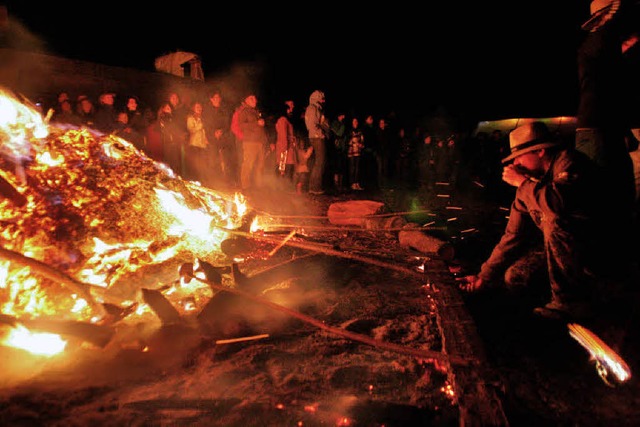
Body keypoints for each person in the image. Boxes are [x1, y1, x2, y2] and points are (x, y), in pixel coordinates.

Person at [459, 121, 632, 322]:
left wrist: (522, 183)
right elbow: (513, 235)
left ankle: (570, 303)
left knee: (555, 220)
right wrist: (484, 276)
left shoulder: (569, 163)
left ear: (540, 151)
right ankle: (540, 312)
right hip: (563, 251)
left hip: (600, 249)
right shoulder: (530, 186)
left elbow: (557, 205)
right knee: (515, 277)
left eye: (519, 158)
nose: (515, 165)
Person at [304, 89, 329, 195]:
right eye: (322, 98)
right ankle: (315, 187)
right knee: (319, 162)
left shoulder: (317, 109)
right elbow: (311, 125)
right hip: (316, 137)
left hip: (318, 136)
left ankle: (315, 186)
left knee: (319, 162)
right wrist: (320, 133)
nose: (323, 101)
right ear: (317, 98)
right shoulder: (312, 108)